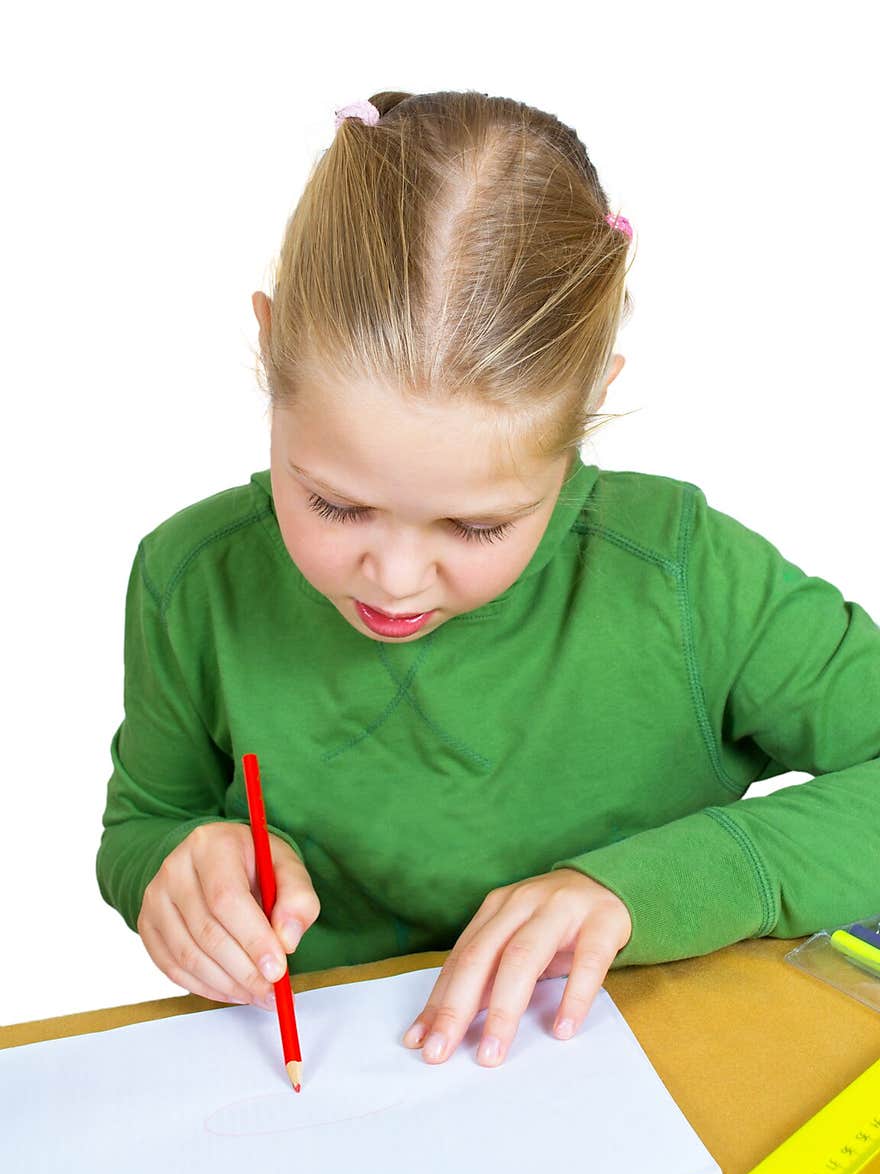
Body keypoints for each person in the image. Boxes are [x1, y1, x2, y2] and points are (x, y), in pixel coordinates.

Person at [96, 90, 880, 1072]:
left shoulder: (686, 576)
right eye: (335, 504)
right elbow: (145, 822)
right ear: (267, 345)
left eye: (475, 524)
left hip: (654, 1082)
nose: (392, 573)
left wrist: (652, 883)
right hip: (325, 1096)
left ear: (589, 401)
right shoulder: (192, 581)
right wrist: (173, 869)